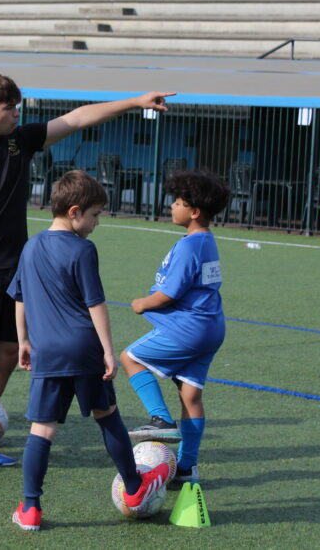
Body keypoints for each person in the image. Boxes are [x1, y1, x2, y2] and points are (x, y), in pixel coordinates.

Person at [0, 70, 172, 466]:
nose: (17, 114)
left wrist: (134, 101)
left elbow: (77, 118)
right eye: (10, 108)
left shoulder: (19, 142)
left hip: (19, 269)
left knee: (6, 357)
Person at [9, 171, 169, 530]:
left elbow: (19, 298)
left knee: (42, 430)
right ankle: (133, 487)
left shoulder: (30, 246)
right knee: (107, 415)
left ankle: (31, 509)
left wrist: (23, 340)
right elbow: (96, 304)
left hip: (47, 351)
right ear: (75, 211)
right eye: (95, 215)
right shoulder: (83, 249)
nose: (97, 223)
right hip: (84, 348)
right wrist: (109, 352)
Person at [120, 169, 231, 485]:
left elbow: (170, 293)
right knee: (191, 395)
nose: (172, 206)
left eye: (178, 202)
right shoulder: (206, 241)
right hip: (211, 328)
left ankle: (160, 419)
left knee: (129, 358)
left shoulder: (188, 246)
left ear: (194, 212)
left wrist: (143, 302)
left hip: (188, 328)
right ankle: (187, 467)